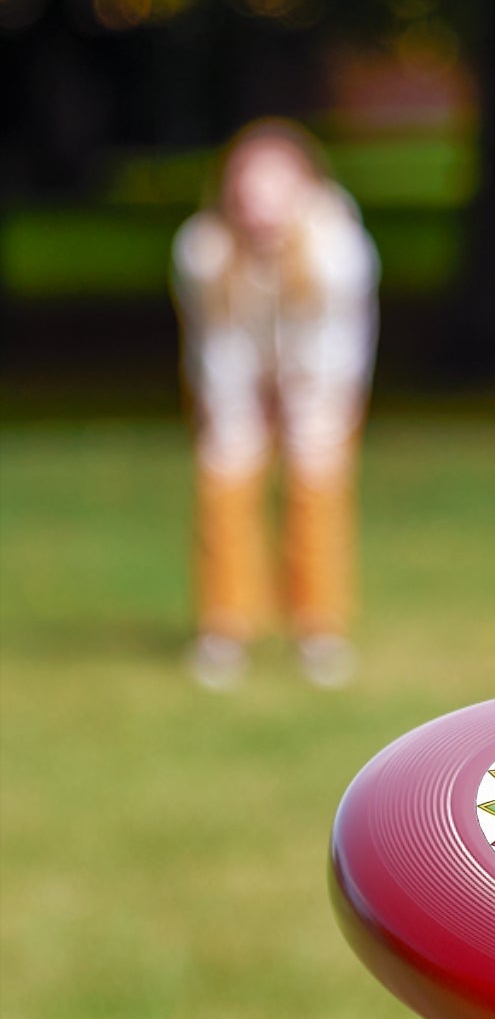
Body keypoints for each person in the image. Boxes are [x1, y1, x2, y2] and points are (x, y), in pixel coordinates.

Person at [172, 119, 379, 690]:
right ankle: (225, 628)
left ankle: (319, 629)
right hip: (234, 379)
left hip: (320, 381)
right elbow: (216, 344)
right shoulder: (203, 250)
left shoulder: (338, 248)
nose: (259, 203)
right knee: (224, 480)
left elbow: (336, 344)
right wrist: (238, 412)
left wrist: (304, 405)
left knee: (317, 487)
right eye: (248, 186)